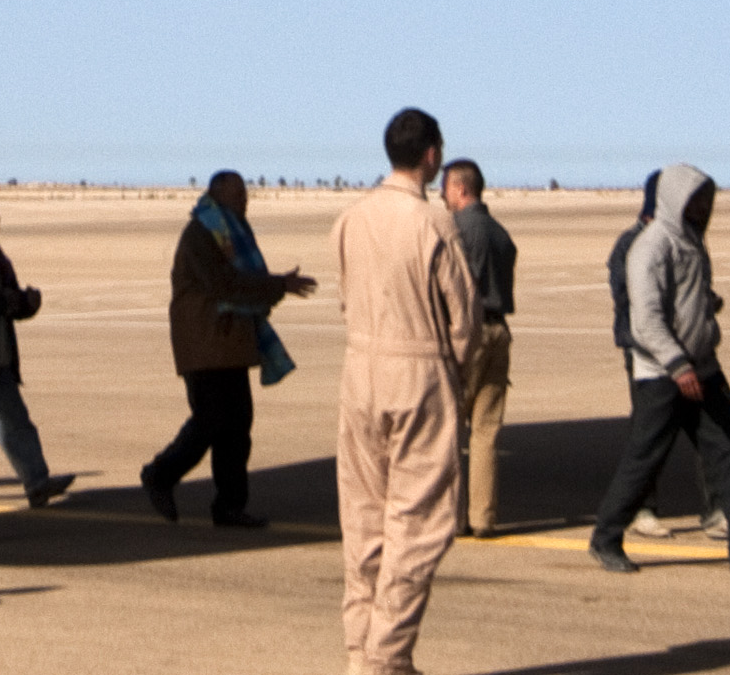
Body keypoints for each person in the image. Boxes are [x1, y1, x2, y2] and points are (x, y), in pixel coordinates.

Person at [331, 110, 483, 675]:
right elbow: (463, 321)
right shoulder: (433, 224)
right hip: (418, 371)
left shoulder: (350, 218)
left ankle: (361, 650)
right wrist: (452, 377)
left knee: (363, 521)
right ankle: (385, 659)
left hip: (361, 372)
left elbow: (347, 297)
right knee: (416, 527)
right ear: (431, 156)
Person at [589, 162, 730, 577]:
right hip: (663, 374)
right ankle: (606, 537)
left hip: (704, 368)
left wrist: (707, 310)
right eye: (695, 199)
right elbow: (646, 319)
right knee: (645, 459)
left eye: (707, 199)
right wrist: (677, 365)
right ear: (675, 200)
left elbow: (689, 298)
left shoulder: (692, 241)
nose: (703, 207)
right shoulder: (651, 247)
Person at [141, 170, 316, 528]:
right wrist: (277, 285)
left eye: (245, 195)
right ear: (217, 195)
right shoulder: (202, 234)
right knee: (210, 420)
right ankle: (160, 474)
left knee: (236, 425)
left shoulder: (231, 233)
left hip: (229, 344)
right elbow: (226, 284)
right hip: (204, 343)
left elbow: (239, 282)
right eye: (237, 195)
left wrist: (275, 285)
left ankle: (230, 506)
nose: (244, 201)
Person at [0, 198, 74, 506]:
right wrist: (5, 303)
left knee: (17, 424)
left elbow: (8, 305)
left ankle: (37, 483)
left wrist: (26, 304)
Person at [441, 159, 516, 538]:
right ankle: (483, 517)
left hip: (468, 333)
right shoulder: (501, 234)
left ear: (459, 189)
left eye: (445, 189)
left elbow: (450, 287)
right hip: (499, 330)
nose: (442, 196)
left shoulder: (456, 230)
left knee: (451, 426)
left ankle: (453, 517)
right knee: (487, 430)